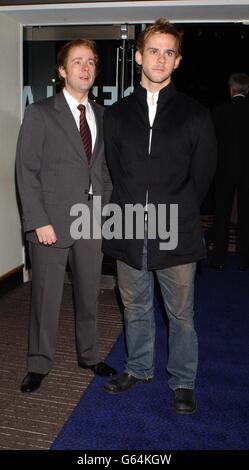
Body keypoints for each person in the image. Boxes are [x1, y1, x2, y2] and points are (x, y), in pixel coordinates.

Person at [102, 19, 216, 413]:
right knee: (134, 306)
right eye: (153, 50)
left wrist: (176, 211)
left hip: (177, 231)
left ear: (178, 61)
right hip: (128, 227)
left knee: (181, 314)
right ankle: (138, 368)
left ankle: (183, 380)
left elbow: (202, 177)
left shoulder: (195, 115)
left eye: (169, 52)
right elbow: (114, 172)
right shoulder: (115, 115)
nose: (160, 58)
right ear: (138, 56)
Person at [16, 38, 116, 393]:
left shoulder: (103, 115)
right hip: (51, 223)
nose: (86, 68)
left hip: (91, 220)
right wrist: (37, 220)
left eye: (90, 62)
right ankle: (38, 363)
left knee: (89, 293)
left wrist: (106, 209)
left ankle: (89, 355)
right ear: (62, 71)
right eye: (77, 62)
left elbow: (104, 169)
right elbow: (27, 172)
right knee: (46, 297)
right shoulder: (40, 113)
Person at [210, 73, 249, 271]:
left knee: (222, 214)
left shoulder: (219, 112)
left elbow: (212, 144)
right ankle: (244, 260)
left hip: (223, 169)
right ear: (247, 90)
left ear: (231, 89)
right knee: (246, 215)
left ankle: (218, 260)